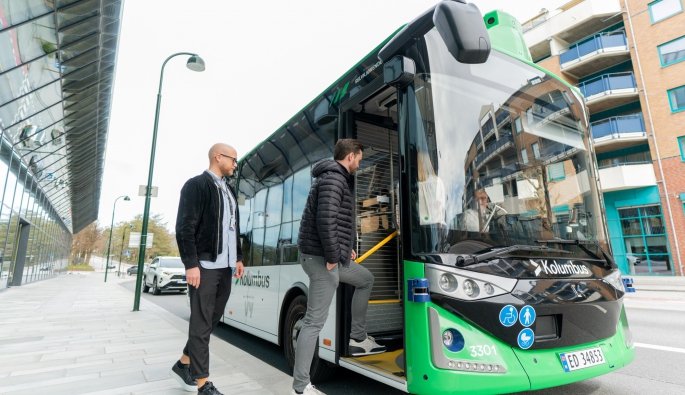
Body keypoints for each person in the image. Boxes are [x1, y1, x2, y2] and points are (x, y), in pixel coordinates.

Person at [291, 139, 387, 395]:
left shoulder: (335, 178)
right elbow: (325, 220)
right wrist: (334, 255)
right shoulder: (334, 179)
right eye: (360, 158)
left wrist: (345, 249)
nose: (360, 163)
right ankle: (300, 387)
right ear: (351, 156)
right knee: (313, 323)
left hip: (327, 256)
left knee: (365, 278)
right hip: (321, 259)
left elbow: (333, 220)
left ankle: (357, 337)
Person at [170, 143, 245, 395]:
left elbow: (234, 228)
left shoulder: (229, 191)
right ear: (218, 157)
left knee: (211, 320)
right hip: (204, 265)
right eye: (233, 160)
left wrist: (239, 257)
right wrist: (191, 264)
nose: (236, 164)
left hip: (225, 266)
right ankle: (203, 384)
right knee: (201, 323)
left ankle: (183, 363)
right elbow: (184, 227)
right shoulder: (196, 185)